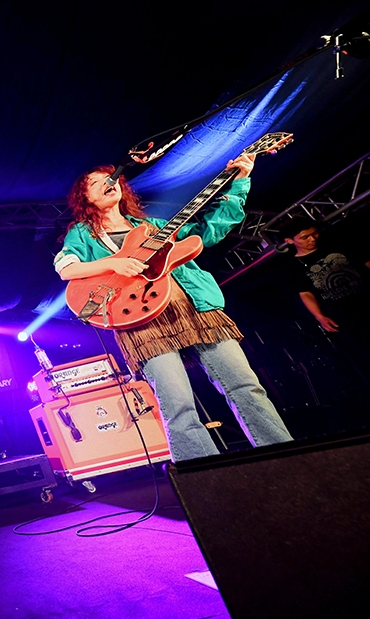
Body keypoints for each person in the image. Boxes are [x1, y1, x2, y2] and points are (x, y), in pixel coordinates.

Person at [54, 155, 292, 461]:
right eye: (95, 182)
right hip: (141, 321)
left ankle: (284, 457)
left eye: (110, 178)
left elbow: (208, 232)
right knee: (178, 406)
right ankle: (204, 475)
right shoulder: (83, 234)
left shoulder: (153, 226)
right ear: (84, 197)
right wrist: (115, 263)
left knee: (246, 386)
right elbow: (67, 268)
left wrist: (239, 181)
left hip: (196, 309)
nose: (107, 183)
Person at [281, 218, 370, 384]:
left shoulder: (337, 246)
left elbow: (365, 261)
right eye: (305, 237)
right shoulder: (293, 266)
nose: (312, 239)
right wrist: (320, 317)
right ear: (290, 241)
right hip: (344, 316)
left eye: (314, 234)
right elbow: (305, 293)